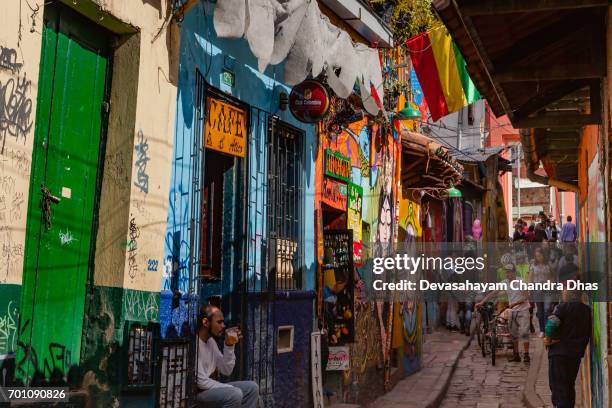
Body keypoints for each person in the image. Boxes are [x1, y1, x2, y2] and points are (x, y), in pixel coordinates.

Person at [196, 305, 259, 408]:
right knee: (235, 394)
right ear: (205, 322)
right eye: (219, 322)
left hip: (210, 390)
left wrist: (229, 345)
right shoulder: (195, 344)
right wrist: (230, 388)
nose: (223, 326)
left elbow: (226, 370)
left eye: (223, 322)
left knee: (252, 388)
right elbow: (201, 382)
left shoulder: (211, 342)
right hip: (198, 394)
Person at [544, 288, 592, 408]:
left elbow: (552, 324)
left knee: (559, 388)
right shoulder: (586, 310)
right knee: (569, 386)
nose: (562, 293)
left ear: (571, 294)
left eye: (565, 291)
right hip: (575, 355)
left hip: (559, 354)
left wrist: (547, 339)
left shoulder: (563, 307)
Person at [476, 263, 531, 363]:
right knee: (513, 334)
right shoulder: (505, 282)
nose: (507, 274)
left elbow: (526, 297)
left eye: (509, 272)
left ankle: (526, 355)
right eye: (506, 272)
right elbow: (493, 293)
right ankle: (516, 355)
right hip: (512, 311)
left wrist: (514, 304)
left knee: (524, 333)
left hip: (523, 310)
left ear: (514, 272)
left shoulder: (521, 282)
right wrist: (482, 302)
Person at [529, 247, 554, 338]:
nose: (538, 258)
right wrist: (530, 289)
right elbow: (530, 278)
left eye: (539, 256)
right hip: (537, 289)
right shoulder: (533, 266)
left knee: (547, 309)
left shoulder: (548, 264)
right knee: (540, 310)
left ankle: (547, 329)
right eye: (537, 256)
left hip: (547, 289)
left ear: (543, 255)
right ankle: (542, 330)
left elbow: (552, 276)